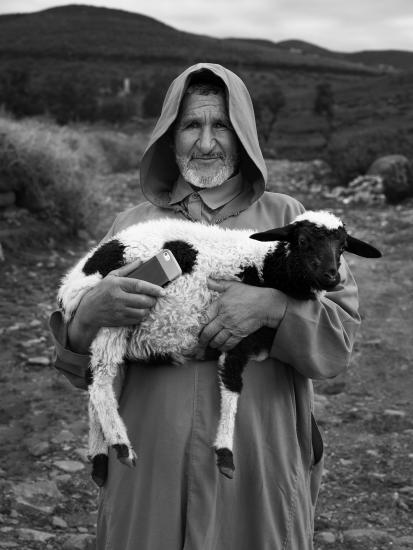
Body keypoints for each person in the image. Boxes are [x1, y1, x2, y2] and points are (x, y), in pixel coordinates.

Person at [49, 63, 360, 550]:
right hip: (149, 466)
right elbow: (75, 362)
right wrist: (90, 315)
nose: (207, 142)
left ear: (244, 137)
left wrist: (274, 309)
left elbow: (338, 344)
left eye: (222, 126)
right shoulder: (133, 227)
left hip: (260, 463)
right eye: (192, 125)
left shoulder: (291, 221)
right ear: (168, 138)